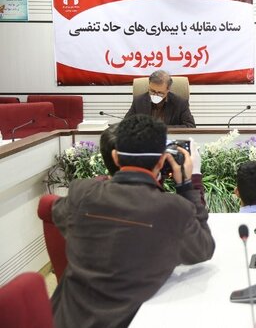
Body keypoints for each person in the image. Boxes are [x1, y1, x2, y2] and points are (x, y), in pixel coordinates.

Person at [51, 114, 215, 327]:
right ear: (161, 161)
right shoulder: (173, 209)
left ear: (115, 158)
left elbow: (60, 216)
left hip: (64, 320)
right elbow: (203, 249)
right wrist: (186, 186)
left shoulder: (82, 192)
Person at [125, 70, 196, 127]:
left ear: (168, 90)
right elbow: (125, 124)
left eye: (160, 93)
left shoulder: (180, 103)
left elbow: (190, 126)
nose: (155, 95)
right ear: (149, 85)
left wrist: (161, 128)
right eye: (152, 91)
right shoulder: (138, 101)